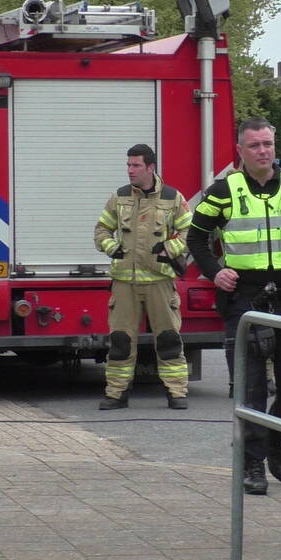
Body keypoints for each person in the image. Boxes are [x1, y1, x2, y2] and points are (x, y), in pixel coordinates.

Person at [188, 117, 281, 496]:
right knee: (251, 390)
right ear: (240, 151)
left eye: (268, 144)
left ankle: (275, 441)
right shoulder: (225, 190)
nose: (263, 151)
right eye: (255, 146)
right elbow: (195, 237)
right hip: (245, 299)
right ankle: (252, 463)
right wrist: (215, 272)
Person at [93, 144, 192, 410]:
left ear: (150, 167)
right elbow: (101, 229)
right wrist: (111, 247)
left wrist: (170, 248)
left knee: (169, 339)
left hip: (159, 281)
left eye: (135, 165)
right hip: (125, 282)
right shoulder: (119, 197)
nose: (130, 170)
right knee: (121, 342)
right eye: (128, 165)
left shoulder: (173, 198)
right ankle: (116, 394)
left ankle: (176, 392)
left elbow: (189, 232)